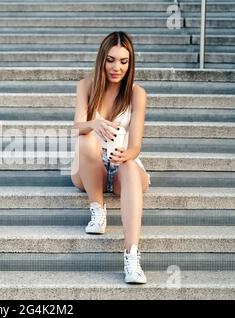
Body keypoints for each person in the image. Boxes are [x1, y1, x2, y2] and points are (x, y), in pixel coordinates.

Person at [70, 31, 151, 284]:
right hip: (90, 168)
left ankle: (132, 257)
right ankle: (97, 209)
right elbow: (77, 126)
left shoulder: (137, 93)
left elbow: (136, 145)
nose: (117, 67)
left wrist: (126, 155)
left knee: (128, 165)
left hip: (121, 167)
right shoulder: (86, 85)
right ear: (101, 60)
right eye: (111, 60)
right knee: (84, 138)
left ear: (130, 63)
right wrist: (94, 123)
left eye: (123, 61)